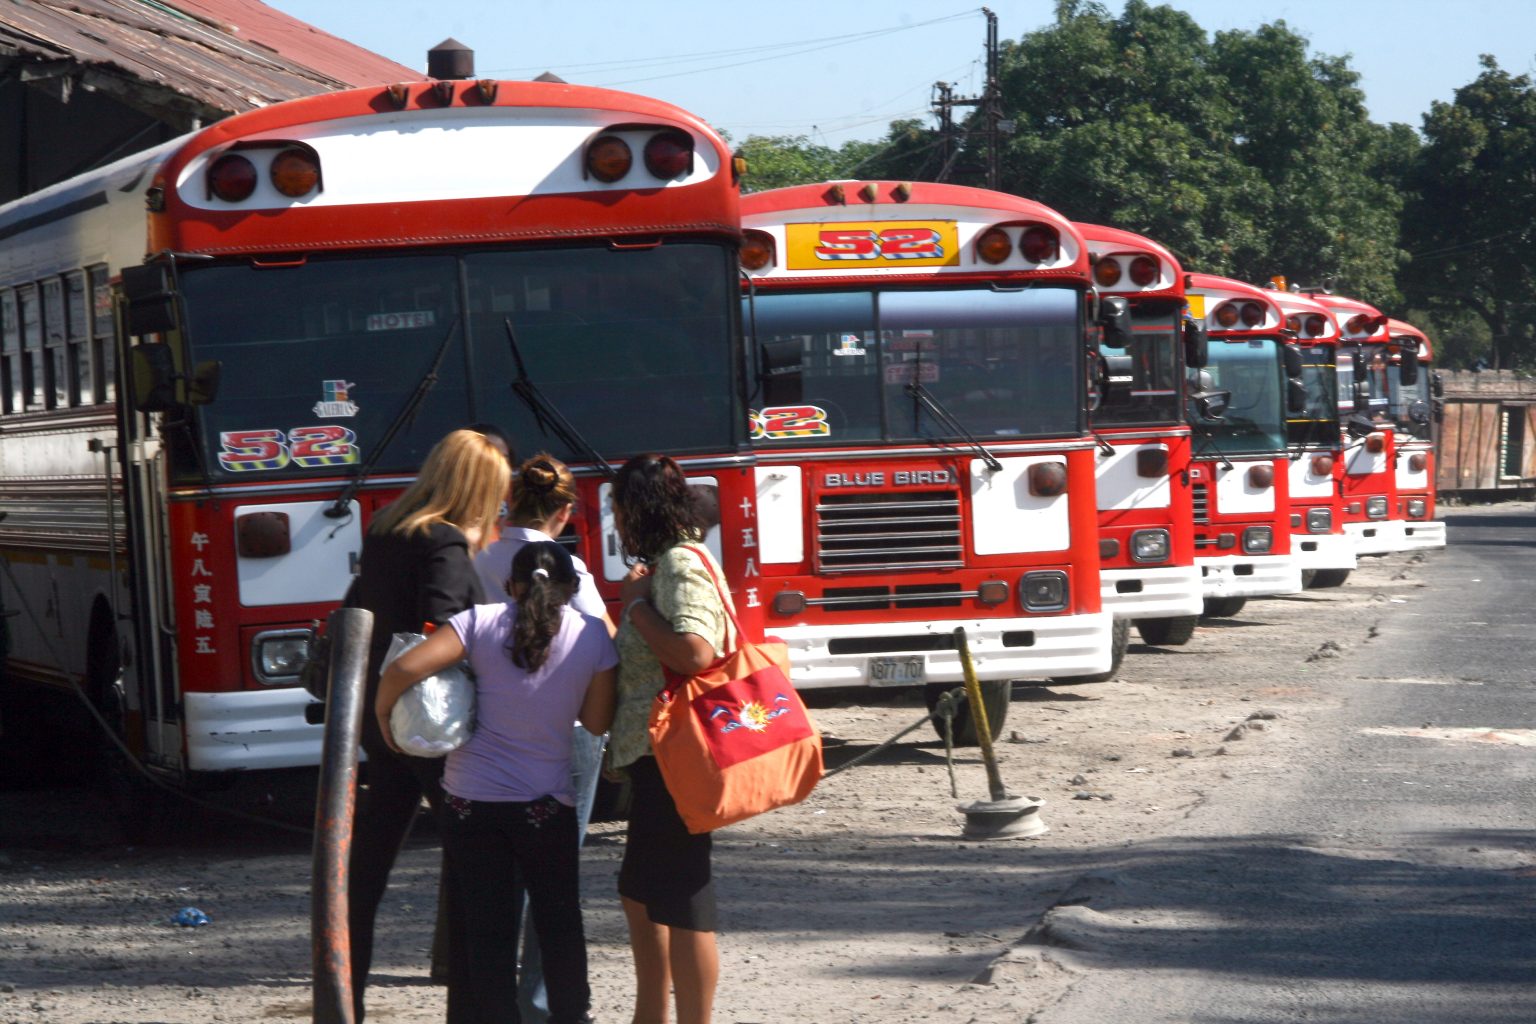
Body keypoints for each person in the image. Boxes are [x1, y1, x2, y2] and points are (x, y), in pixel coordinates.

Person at [376, 541, 616, 1024]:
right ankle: (571, 1017)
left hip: (471, 802)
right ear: (572, 587)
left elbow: (403, 667)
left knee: (487, 930)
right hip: (545, 806)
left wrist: (384, 718)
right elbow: (595, 722)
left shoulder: (478, 622)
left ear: (510, 585)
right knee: (559, 923)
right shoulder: (592, 635)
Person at [347, 428, 510, 1023]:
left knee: (366, 871)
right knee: (474, 867)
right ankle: (468, 1010)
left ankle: (344, 999)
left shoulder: (387, 528)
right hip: (431, 727)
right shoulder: (444, 542)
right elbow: (444, 626)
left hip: (381, 717)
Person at [473, 453, 616, 1023]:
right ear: (566, 510)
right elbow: (601, 638)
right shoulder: (564, 566)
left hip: (488, 729)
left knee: (494, 877)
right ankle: (540, 1003)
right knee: (552, 877)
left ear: (510, 501)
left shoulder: (478, 557)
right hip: (564, 727)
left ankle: (493, 1002)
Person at [609, 453, 731, 1024]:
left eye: (617, 508)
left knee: (683, 899)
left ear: (635, 509)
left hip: (677, 755)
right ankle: (650, 1015)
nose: (615, 521)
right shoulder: (664, 564)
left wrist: (635, 608)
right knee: (639, 892)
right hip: (654, 754)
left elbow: (695, 652)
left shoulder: (681, 562)